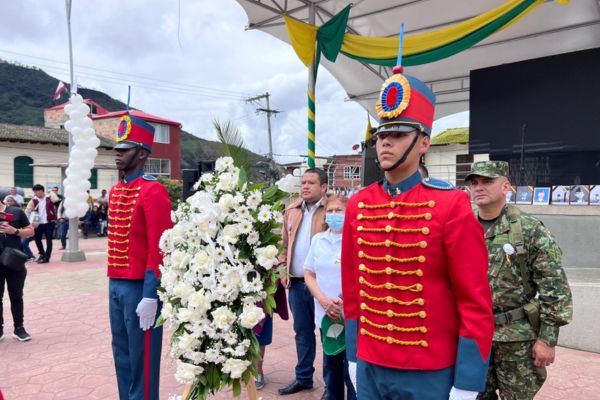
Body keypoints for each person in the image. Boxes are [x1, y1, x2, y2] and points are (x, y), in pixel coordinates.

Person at [341, 63, 494, 400]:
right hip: (369, 364)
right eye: (381, 135)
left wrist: (467, 382)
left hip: (429, 370)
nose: (385, 143)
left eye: (398, 134)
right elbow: (352, 290)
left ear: (423, 143)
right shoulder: (359, 204)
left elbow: (475, 301)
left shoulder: (451, 205)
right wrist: (353, 354)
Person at [465, 161, 573, 400]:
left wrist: (547, 339)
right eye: (474, 182)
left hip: (516, 338)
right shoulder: (462, 226)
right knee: (473, 396)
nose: (478, 187)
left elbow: (554, 288)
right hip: (473, 335)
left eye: (487, 181)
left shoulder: (529, 230)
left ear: (506, 187)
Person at [108, 113, 173, 400]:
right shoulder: (116, 190)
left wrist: (151, 294)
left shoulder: (153, 190)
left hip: (139, 287)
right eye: (117, 150)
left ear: (143, 154)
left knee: (142, 358)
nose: (118, 155)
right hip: (116, 283)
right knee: (121, 353)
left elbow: (158, 247)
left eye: (125, 150)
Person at [278, 169, 329, 396]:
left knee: (329, 333)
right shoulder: (291, 211)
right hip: (297, 285)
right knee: (302, 332)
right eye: (303, 183)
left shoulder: (333, 210)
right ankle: (303, 377)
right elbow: (283, 246)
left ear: (324, 187)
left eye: (311, 183)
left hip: (323, 287)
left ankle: (332, 384)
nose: (305, 186)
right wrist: (282, 271)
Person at [304, 195, 357, 400]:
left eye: (339, 210)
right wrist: (324, 301)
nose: (334, 215)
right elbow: (309, 274)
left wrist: (342, 301)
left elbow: (360, 274)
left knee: (350, 368)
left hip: (349, 313)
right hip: (326, 314)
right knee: (331, 364)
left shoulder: (355, 240)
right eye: (331, 211)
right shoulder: (319, 240)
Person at [0, 196, 35, 341]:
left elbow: (31, 231)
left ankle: (19, 328)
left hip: (14, 261)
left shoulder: (15, 211)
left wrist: (15, 231)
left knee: (16, 296)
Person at [25, 184, 60, 264]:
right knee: (37, 240)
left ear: (41, 191)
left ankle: (47, 258)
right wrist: (27, 222)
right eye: (34, 192)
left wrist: (51, 192)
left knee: (49, 240)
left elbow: (57, 200)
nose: (35, 193)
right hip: (38, 224)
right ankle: (42, 254)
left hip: (49, 222)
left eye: (36, 191)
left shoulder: (49, 197)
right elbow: (27, 210)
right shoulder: (34, 200)